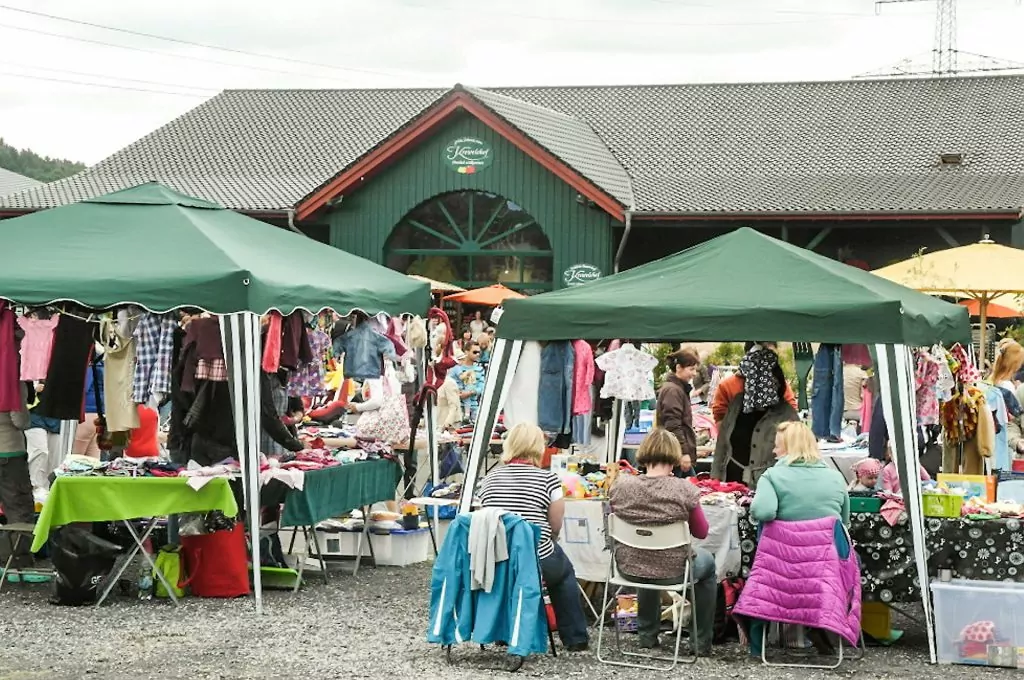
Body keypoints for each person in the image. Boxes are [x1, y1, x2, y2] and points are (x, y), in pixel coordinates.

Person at [477, 423, 590, 652]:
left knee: (514, 571)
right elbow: (555, 524)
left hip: (496, 559)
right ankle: (575, 637)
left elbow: (484, 517)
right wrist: (551, 539)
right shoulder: (547, 480)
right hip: (534, 556)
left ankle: (505, 631)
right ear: (539, 447)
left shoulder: (489, 479)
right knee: (564, 572)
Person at [609, 428, 717, 652]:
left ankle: (647, 635)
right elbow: (702, 532)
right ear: (675, 456)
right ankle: (701, 642)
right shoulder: (684, 489)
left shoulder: (620, 486)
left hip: (628, 568)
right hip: (674, 571)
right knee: (708, 564)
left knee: (646, 556)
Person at [747, 421, 850, 656]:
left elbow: (763, 512)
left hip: (779, 575)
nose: (773, 451)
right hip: (824, 574)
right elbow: (843, 523)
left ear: (788, 448)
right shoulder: (836, 479)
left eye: (777, 446)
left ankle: (757, 645)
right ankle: (821, 626)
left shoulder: (772, 477)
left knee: (754, 577)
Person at [712, 343, 799, 485]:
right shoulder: (736, 405)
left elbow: (797, 457)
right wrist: (715, 480)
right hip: (732, 484)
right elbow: (722, 446)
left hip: (770, 486)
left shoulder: (787, 415)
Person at [0, 381, 39, 579]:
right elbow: (20, 420)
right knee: (19, 509)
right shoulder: (12, 379)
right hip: (9, 451)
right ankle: (18, 565)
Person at [656, 348, 698, 464]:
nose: (694, 373)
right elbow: (673, 424)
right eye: (691, 369)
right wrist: (683, 453)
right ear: (679, 368)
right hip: (674, 455)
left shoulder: (677, 389)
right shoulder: (673, 391)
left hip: (674, 454)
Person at [449, 341, 485, 422]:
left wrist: (470, 393)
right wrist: (459, 394)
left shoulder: (479, 369)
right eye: (475, 352)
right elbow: (450, 385)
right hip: (457, 407)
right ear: (466, 352)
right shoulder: (456, 368)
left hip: (474, 407)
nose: (477, 354)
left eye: (479, 352)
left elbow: (482, 387)